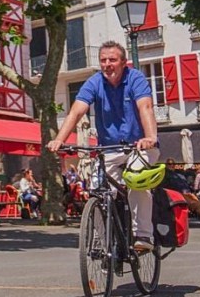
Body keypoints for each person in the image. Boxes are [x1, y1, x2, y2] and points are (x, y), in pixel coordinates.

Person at [49, 41, 160, 252]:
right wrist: (60, 140)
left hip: (140, 146)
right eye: (103, 60)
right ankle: (103, 240)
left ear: (123, 62)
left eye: (112, 60)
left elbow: (145, 107)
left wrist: (150, 137)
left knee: (137, 179)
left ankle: (143, 234)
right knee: (97, 190)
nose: (107, 64)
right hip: (108, 149)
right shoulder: (94, 82)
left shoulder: (135, 79)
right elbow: (76, 112)